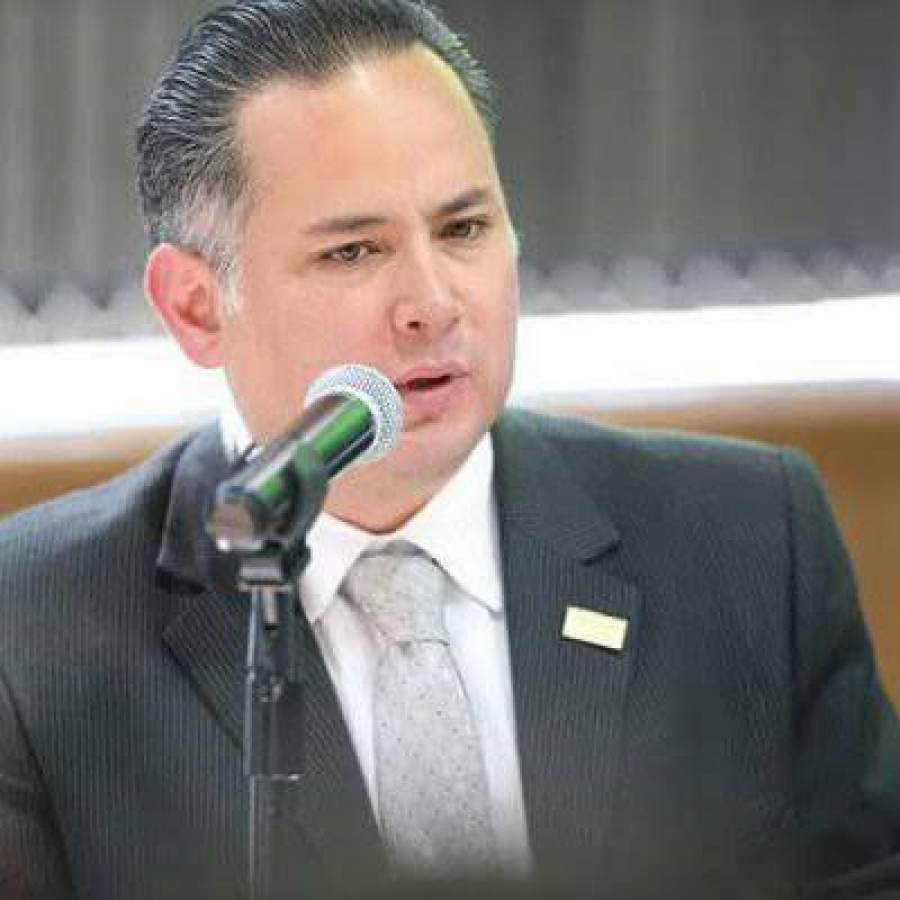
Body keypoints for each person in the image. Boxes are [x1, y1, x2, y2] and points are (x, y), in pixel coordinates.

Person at [0, 1, 898, 898]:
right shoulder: (32, 631)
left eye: (463, 229)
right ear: (196, 308)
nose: (432, 304)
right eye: (353, 251)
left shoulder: (750, 543)